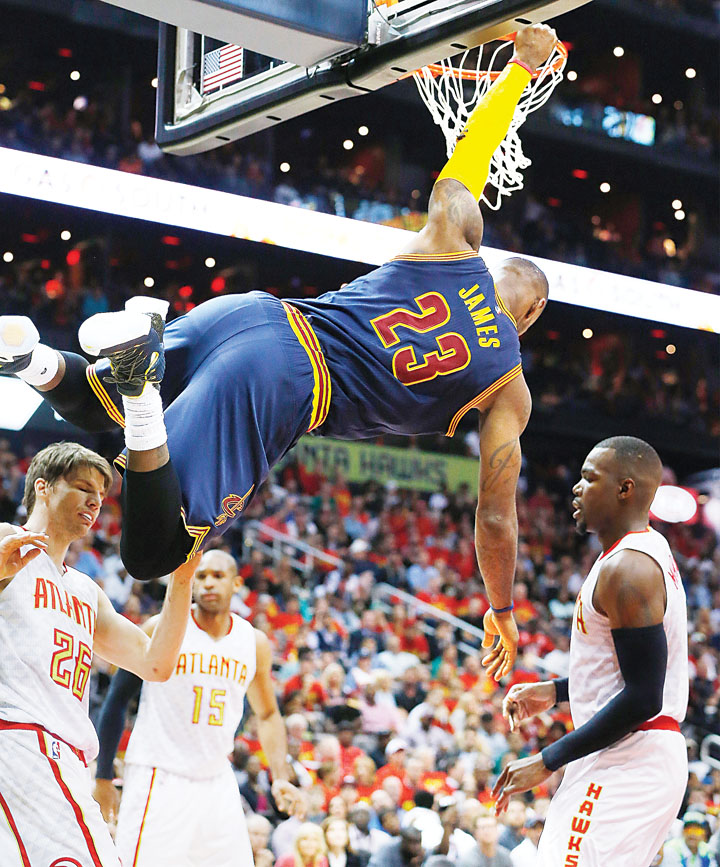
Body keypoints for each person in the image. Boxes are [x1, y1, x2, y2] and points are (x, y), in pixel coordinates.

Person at [0, 24, 557, 679]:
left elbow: (474, 148)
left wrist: (518, 72)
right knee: (159, 551)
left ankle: (29, 359)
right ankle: (140, 388)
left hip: (255, 314)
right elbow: (494, 514)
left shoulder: (454, 236)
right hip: (282, 382)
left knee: (95, 407)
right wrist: (500, 606)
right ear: (534, 313)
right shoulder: (507, 385)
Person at [0, 441, 199, 866]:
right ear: (43, 488)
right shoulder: (6, 540)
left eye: (101, 495)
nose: (95, 501)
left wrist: (183, 580)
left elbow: (156, 663)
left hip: (60, 754)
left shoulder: (86, 592)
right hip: (22, 737)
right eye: (82, 487)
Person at [494, 436, 689, 866]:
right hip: (625, 753)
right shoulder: (630, 555)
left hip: (634, 755)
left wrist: (548, 759)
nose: (576, 488)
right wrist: (559, 690)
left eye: (589, 478)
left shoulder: (630, 568)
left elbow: (644, 695)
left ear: (625, 489)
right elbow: (630, 670)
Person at [92, 549, 299, 866]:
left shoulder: (252, 641)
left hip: (216, 777)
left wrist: (280, 775)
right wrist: (104, 776)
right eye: (200, 576)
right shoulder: (159, 627)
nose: (208, 584)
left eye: (217, 576)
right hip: (159, 773)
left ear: (236, 583)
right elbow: (118, 699)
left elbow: (269, 714)